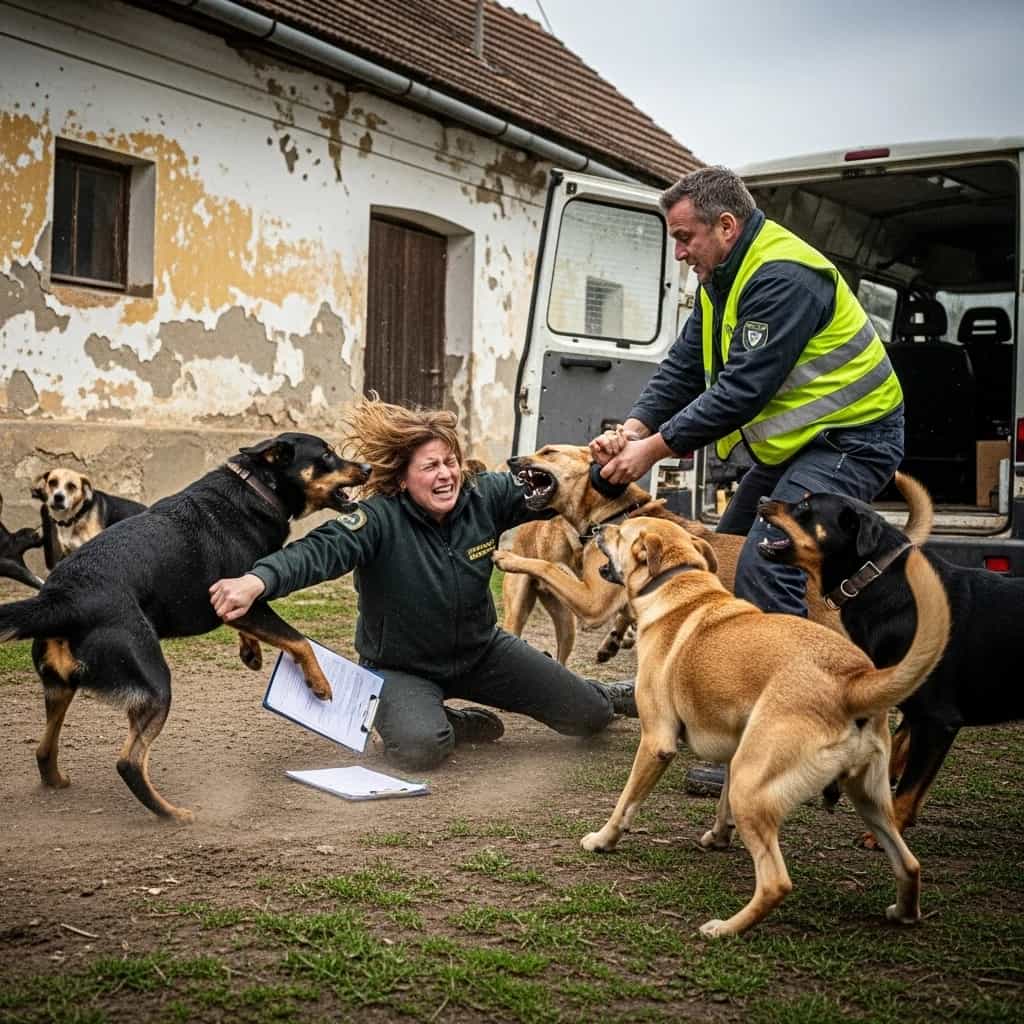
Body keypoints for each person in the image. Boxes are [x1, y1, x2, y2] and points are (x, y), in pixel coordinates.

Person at [590, 166, 905, 796]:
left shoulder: (782, 276)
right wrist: (632, 426)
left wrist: (651, 450)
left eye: (685, 238)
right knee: (715, 558)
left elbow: (741, 389)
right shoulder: (722, 278)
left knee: (765, 566)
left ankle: (791, 734)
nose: (679, 254)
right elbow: (684, 365)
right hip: (800, 447)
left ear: (725, 226)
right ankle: (677, 690)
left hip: (853, 439)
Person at [210, 396, 636, 773]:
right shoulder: (376, 519)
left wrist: (605, 471)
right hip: (401, 668)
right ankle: (452, 722)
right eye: (430, 466)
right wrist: (256, 581)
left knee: (589, 717)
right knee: (419, 749)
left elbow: (567, 486)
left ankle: (607, 694)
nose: (446, 475)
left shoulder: (483, 496)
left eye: (449, 462)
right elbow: (316, 553)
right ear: (402, 479)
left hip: (482, 652)